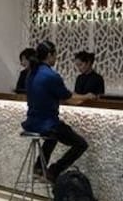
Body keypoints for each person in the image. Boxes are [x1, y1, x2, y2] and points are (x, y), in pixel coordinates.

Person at [23, 40, 95, 182]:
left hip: (31, 123)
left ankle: (39, 168)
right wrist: (87, 97)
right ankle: (53, 172)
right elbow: (69, 99)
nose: (56, 58)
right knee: (81, 144)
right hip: (47, 124)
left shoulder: (31, 73)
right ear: (50, 55)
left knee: (54, 135)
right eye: (55, 55)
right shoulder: (51, 76)